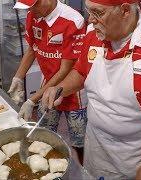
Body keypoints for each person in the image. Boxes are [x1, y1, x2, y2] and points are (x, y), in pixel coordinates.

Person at [41, 0, 141, 179]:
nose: (90, 20)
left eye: (98, 13)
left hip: (131, 154)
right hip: (95, 141)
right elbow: (81, 72)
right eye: (89, 12)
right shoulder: (94, 33)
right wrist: (60, 88)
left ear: (125, 10)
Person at [9, 0, 88, 164]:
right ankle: (43, 165)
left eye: (33, 5)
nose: (30, 11)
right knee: (44, 133)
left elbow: (65, 69)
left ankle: (82, 170)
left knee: (79, 141)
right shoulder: (34, 15)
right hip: (47, 84)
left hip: (74, 91)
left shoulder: (73, 20)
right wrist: (18, 77)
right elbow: (32, 49)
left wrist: (32, 99)